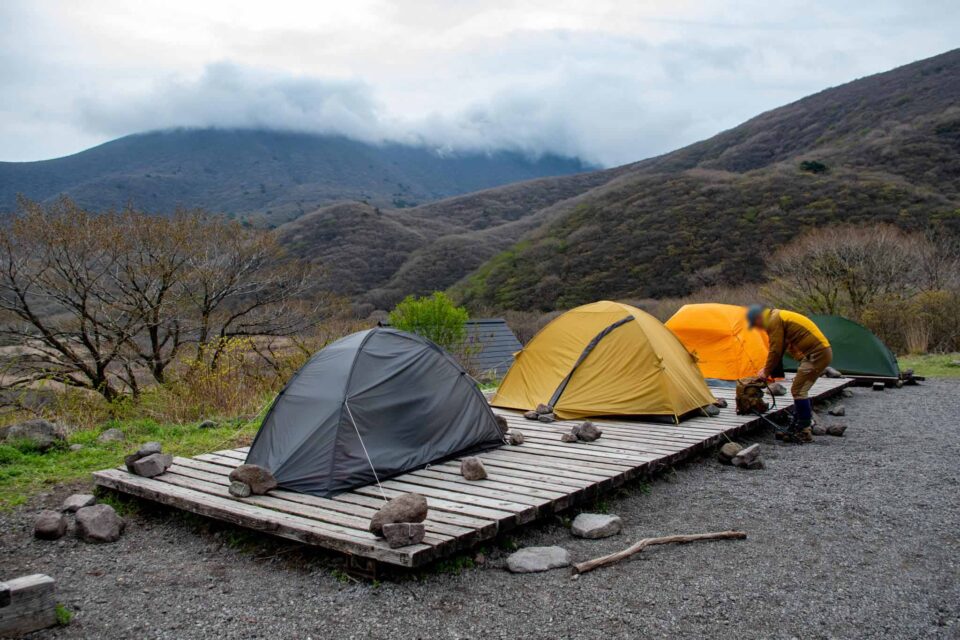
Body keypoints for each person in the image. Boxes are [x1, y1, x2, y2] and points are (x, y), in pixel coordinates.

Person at [746, 305, 832, 442]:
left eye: (756, 324)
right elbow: (787, 345)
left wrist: (766, 372)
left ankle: (804, 431)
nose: (759, 328)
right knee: (799, 390)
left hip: (817, 354)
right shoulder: (778, 317)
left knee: (799, 391)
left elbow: (776, 350)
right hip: (816, 354)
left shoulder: (774, 320)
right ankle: (798, 426)